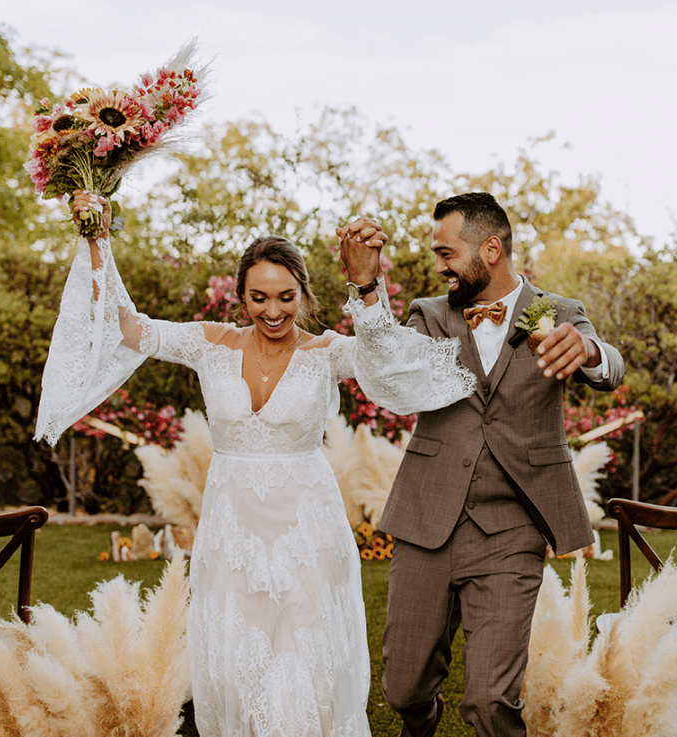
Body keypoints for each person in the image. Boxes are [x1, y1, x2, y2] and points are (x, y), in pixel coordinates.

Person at [34, 191, 476, 737]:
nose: (273, 311)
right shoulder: (206, 344)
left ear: (304, 293)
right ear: (239, 296)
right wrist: (96, 238)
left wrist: (368, 283)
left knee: (303, 655)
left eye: (286, 297)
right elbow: (128, 326)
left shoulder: (329, 353)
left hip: (305, 530)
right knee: (238, 656)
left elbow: (387, 357)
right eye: (258, 298)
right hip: (231, 529)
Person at [340, 191, 625, 737]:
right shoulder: (428, 315)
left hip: (511, 527)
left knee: (492, 699)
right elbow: (388, 365)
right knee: (403, 686)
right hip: (426, 519)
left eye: (447, 254)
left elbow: (609, 365)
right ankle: (421, 720)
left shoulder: (558, 314)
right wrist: (366, 288)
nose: (440, 265)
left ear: (490, 249)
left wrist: (588, 352)